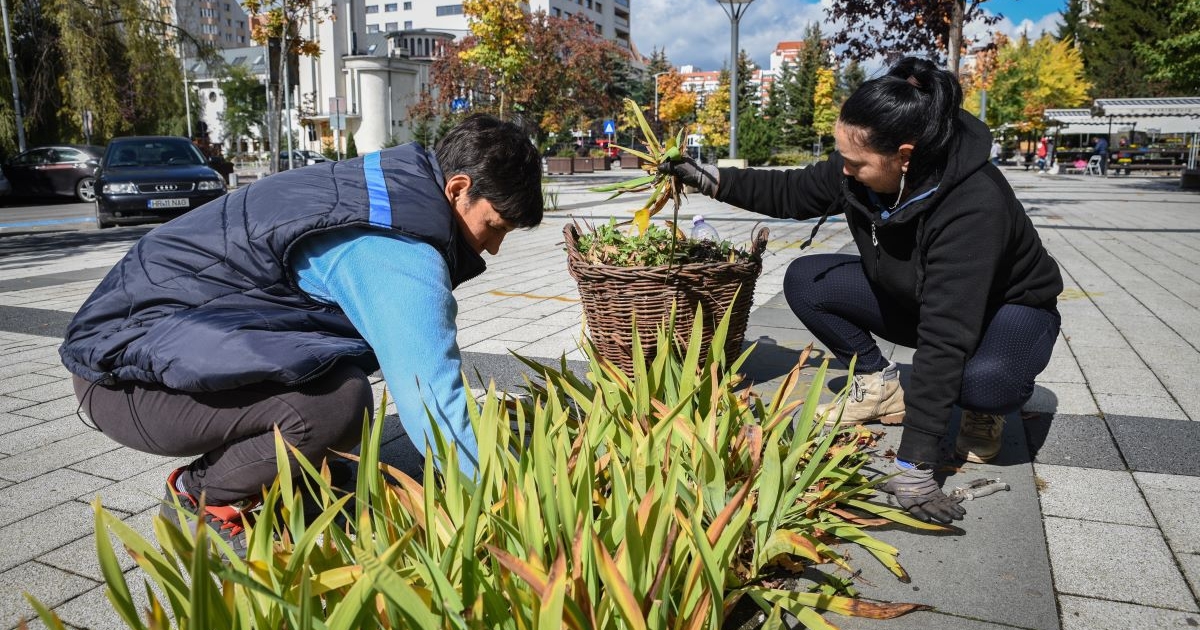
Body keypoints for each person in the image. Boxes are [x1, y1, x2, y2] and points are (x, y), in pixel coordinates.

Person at [60, 114, 543, 553]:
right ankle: (201, 499)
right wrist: (511, 510)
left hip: (146, 349)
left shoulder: (386, 189)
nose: (495, 249)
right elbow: (430, 397)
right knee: (333, 404)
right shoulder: (395, 250)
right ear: (457, 188)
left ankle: (301, 480)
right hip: (124, 381)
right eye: (493, 226)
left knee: (334, 373)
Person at [663, 57, 1063, 525]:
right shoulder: (865, 160)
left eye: (856, 163)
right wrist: (710, 179)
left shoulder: (974, 205)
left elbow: (945, 335)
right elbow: (793, 191)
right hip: (921, 296)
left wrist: (915, 465)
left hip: (1008, 312)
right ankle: (880, 384)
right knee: (806, 280)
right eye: (842, 158)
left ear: (905, 155)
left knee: (980, 382)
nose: (844, 171)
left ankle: (981, 411)